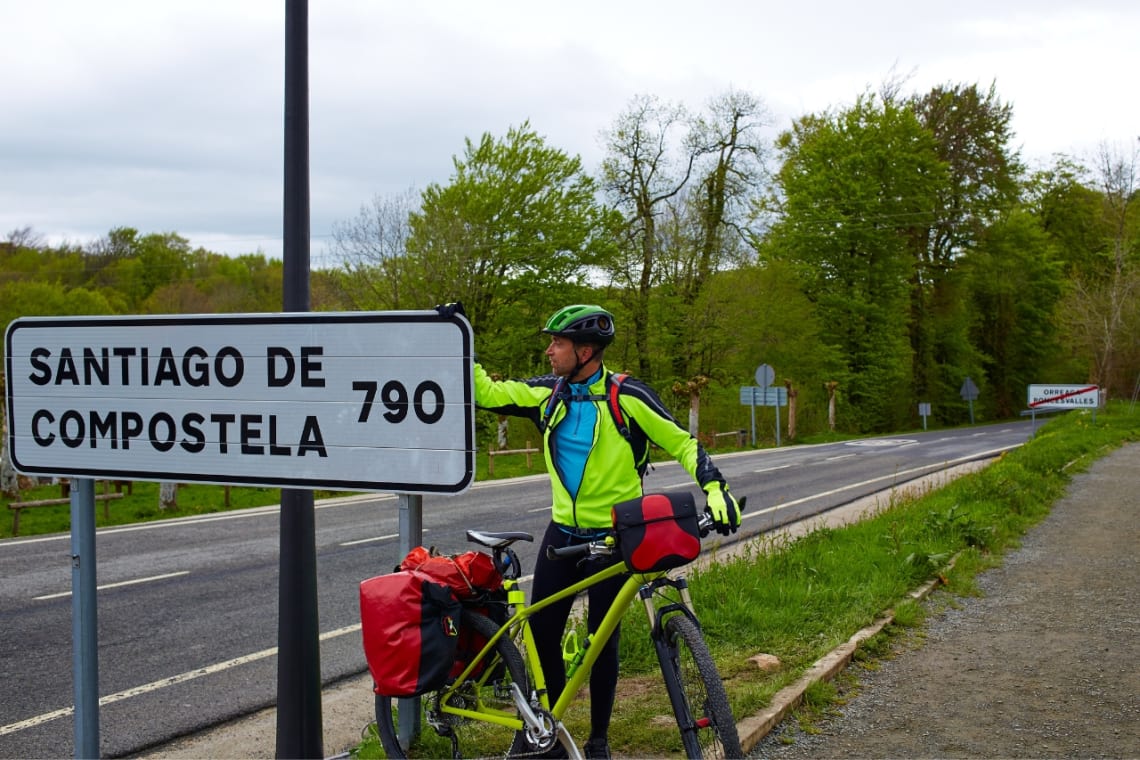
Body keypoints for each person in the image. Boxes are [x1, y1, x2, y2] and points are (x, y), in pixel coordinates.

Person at [441, 302, 741, 758]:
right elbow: (485, 392)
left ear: (585, 351)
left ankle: (598, 739)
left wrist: (715, 488)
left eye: (557, 343)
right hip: (562, 534)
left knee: (603, 641)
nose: (549, 351)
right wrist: (457, 335)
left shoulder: (627, 397)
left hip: (616, 538)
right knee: (542, 637)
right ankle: (549, 733)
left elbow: (682, 441)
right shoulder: (549, 394)